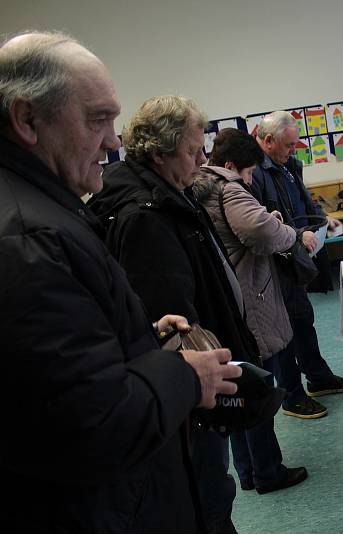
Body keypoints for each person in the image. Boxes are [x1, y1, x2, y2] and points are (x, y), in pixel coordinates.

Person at [0, 31, 242, 533]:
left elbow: (56, 366)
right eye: (97, 120)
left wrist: (138, 337)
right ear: (26, 120)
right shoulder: (30, 236)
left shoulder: (42, 208)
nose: (114, 140)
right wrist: (185, 375)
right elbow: (93, 419)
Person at [87, 95, 263, 533]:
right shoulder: (146, 214)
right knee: (208, 494)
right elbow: (171, 318)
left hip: (191, 385)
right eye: (192, 151)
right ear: (160, 152)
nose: (202, 160)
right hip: (190, 392)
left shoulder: (166, 195)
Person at [192, 128, 308, 493]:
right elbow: (260, 232)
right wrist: (291, 233)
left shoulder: (200, 188)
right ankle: (268, 472)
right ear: (230, 166)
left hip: (225, 302)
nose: (249, 180)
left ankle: (248, 472)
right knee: (258, 390)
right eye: (247, 173)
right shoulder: (229, 188)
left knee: (235, 388)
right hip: (251, 298)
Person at [250, 111, 343, 419]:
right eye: (288, 146)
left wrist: (322, 220)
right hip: (273, 265)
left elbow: (302, 202)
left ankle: (319, 379)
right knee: (284, 335)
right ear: (267, 141)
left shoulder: (287, 166)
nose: (293, 151)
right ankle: (292, 396)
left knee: (303, 321)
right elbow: (261, 224)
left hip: (294, 259)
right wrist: (298, 233)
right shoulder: (254, 173)